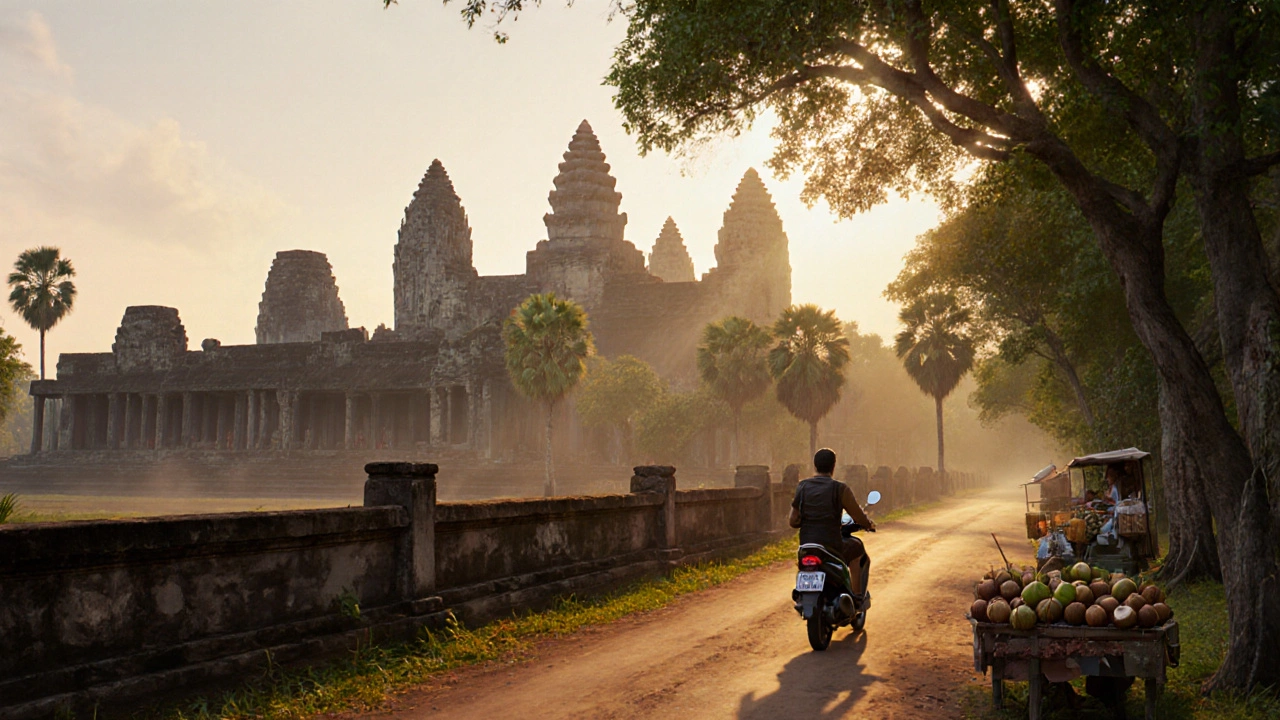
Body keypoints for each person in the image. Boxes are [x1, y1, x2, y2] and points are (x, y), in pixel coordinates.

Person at [789, 448, 876, 597]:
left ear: (815, 465)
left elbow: (793, 520)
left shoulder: (802, 487)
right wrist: (868, 524)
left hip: (806, 546)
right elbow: (858, 516)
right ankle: (856, 596)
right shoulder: (839, 489)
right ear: (833, 466)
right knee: (857, 548)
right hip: (832, 546)